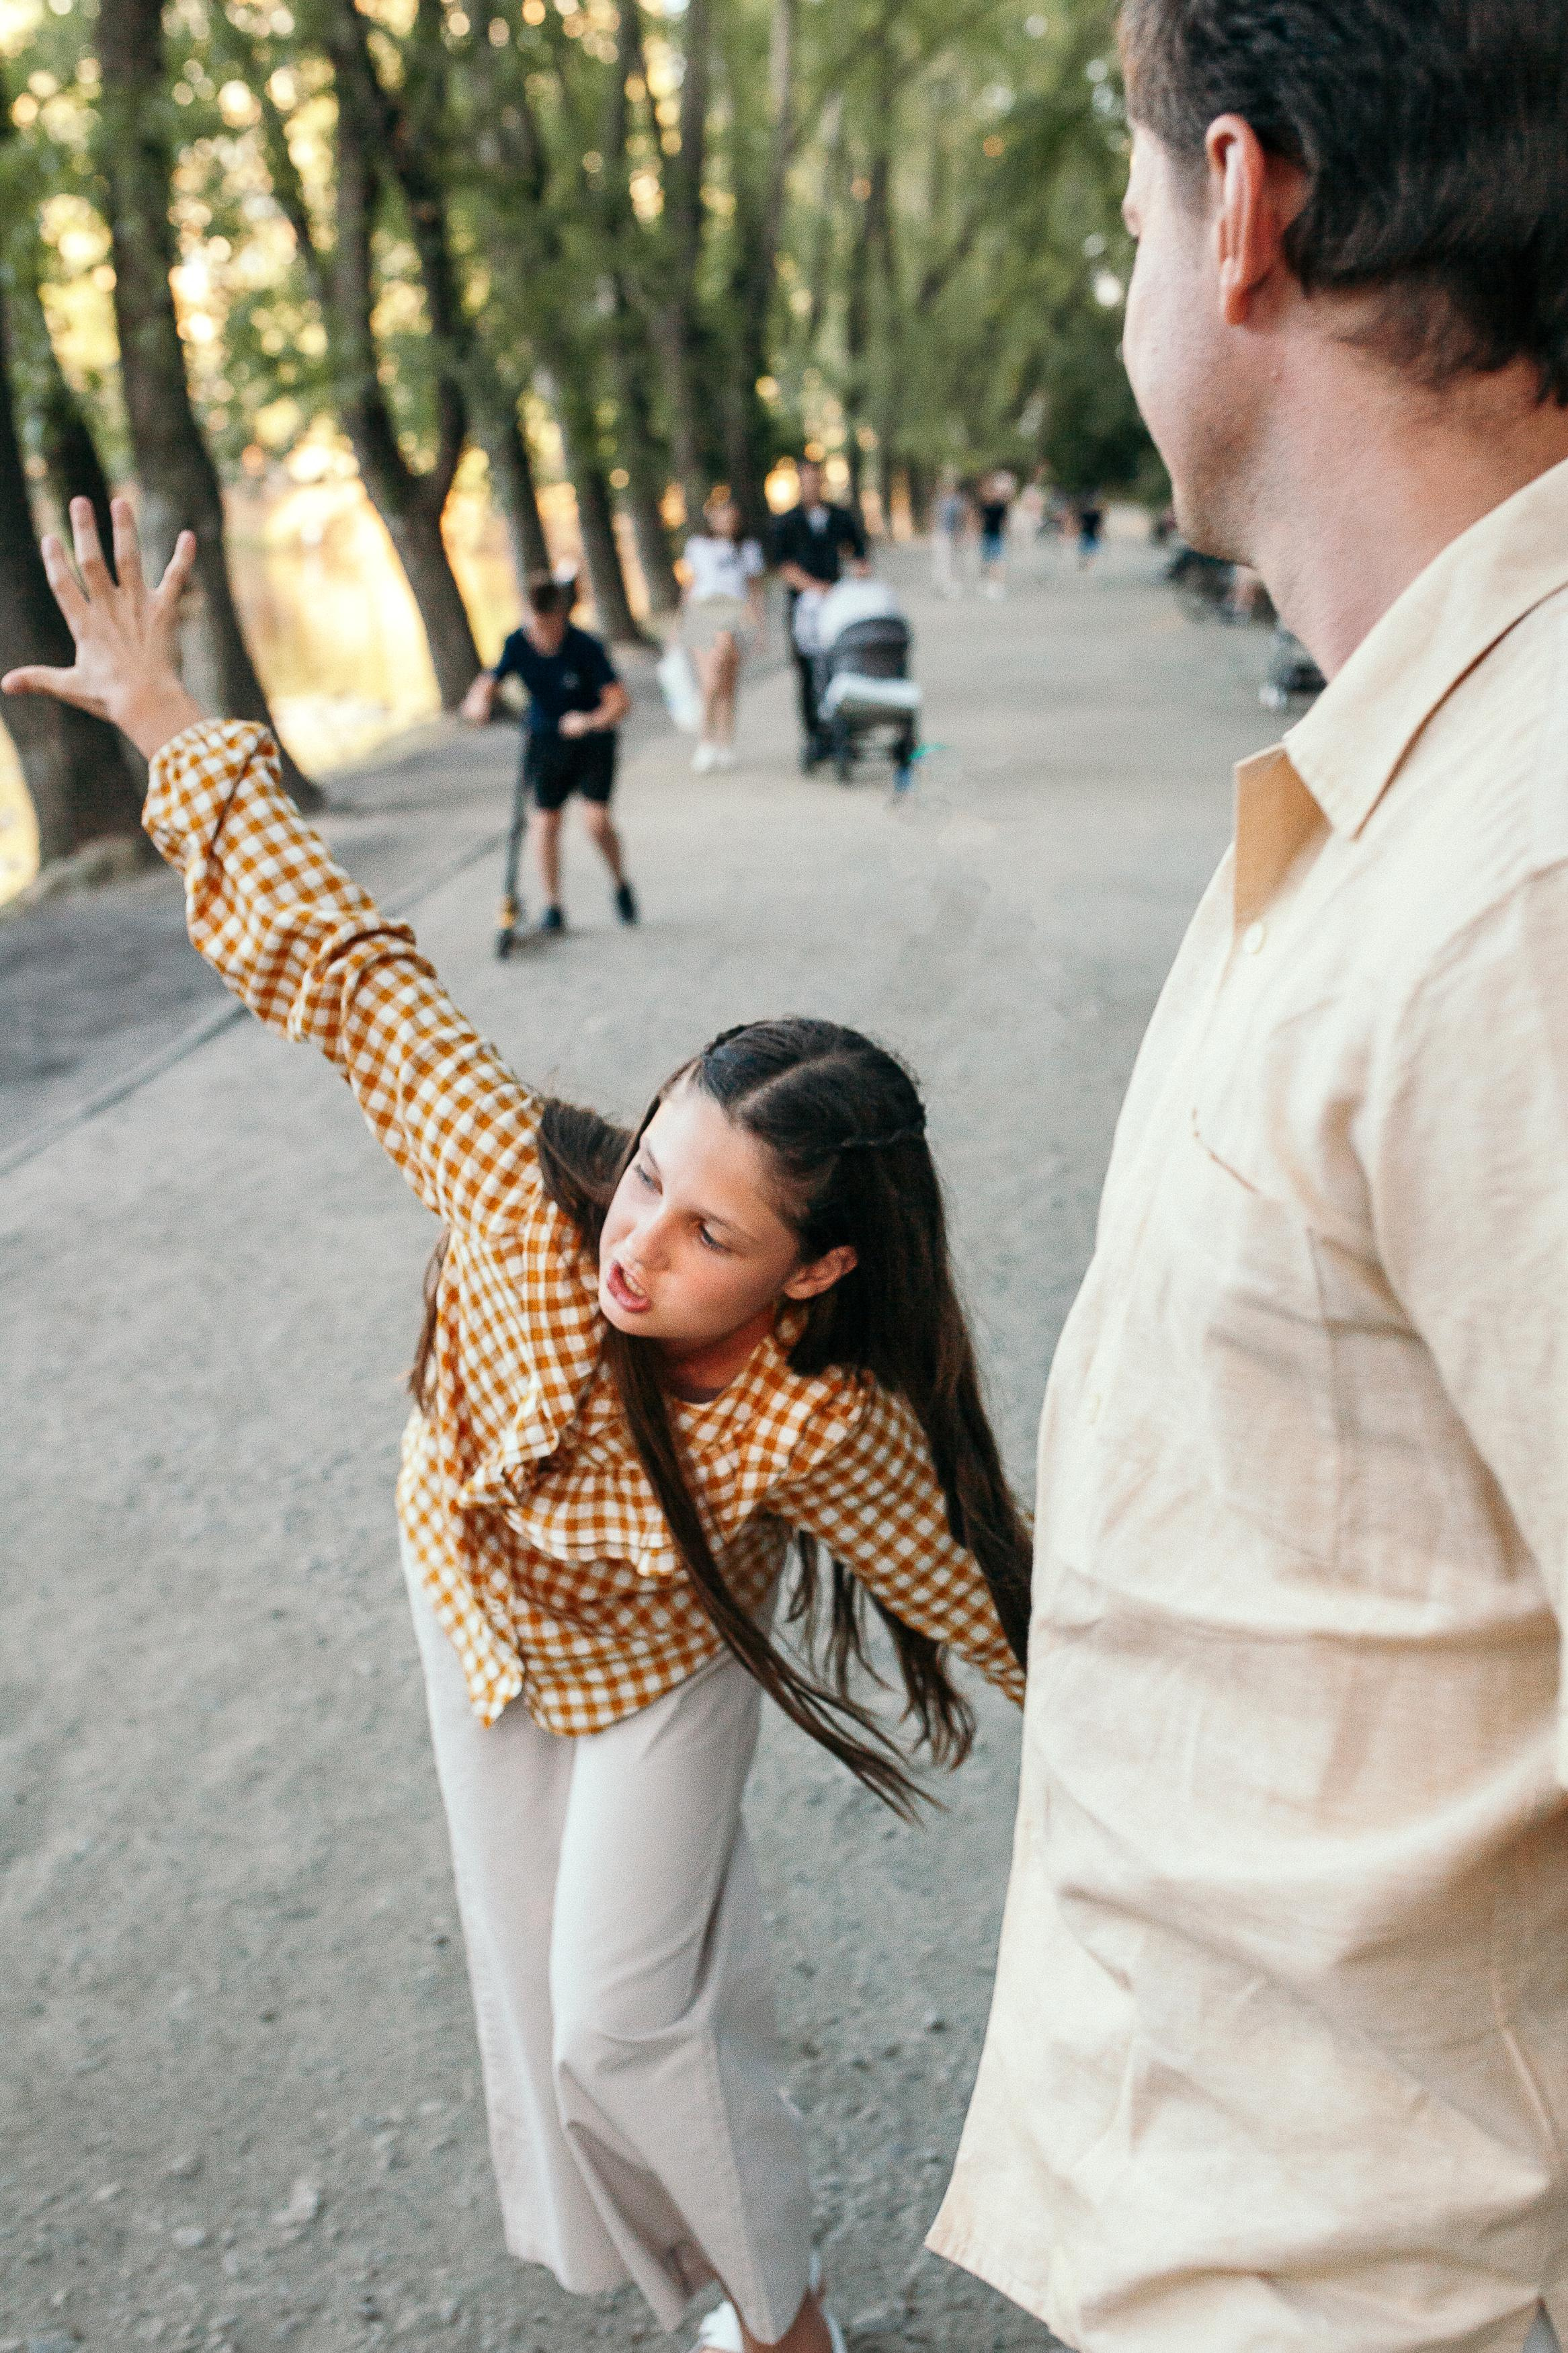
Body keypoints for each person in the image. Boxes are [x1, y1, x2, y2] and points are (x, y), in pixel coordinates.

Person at [4, 497, 1032, 2353]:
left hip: (660, 1643)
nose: (637, 1245)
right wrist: (171, 731)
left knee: (624, 2014)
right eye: (648, 1176)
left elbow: (1001, 1615)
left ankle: (786, 2329)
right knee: (546, 2005)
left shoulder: (820, 1425)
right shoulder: (519, 1194)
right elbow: (354, 974)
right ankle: (700, 2298)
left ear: (812, 1275)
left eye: (710, 1232)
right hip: (474, 1585)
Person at [929, 3, 1568, 2350]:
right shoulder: (1411, 781)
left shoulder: (1527, 870)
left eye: (1125, 209)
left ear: (1243, 208)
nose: (1121, 271)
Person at [462, 572, 634, 937]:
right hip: (545, 743)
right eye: (534, 625)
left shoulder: (586, 646)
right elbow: (492, 678)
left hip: (592, 744)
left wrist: (587, 721)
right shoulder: (517, 643)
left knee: (597, 823)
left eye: (547, 626)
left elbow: (620, 703)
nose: (540, 634)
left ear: (562, 617)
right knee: (546, 825)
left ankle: (620, 883)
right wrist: (479, 700)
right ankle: (553, 906)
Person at [770, 457, 869, 770]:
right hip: (803, 606)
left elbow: (859, 553)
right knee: (808, 672)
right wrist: (813, 587)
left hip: (836, 604)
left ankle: (845, 732)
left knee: (843, 666)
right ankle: (815, 736)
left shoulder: (840, 517)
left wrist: (856, 577)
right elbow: (782, 566)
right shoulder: (786, 522)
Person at [680, 490, 766, 774]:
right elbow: (690, 585)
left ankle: (724, 742)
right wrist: (682, 621)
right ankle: (706, 741)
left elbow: (754, 591)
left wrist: (759, 626)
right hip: (704, 613)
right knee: (711, 680)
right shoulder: (698, 546)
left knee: (729, 684)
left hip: (735, 614)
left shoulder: (748, 549)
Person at [976, 471, 1015, 600]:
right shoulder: (984, 505)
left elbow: (1006, 519)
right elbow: (979, 521)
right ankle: (989, 584)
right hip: (986, 536)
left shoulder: (1001, 506)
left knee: (997, 562)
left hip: (997, 536)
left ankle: (997, 586)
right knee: (987, 562)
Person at [931, 473, 968, 598]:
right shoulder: (940, 501)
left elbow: (962, 517)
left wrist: (961, 532)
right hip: (942, 533)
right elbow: (936, 517)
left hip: (953, 534)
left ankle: (953, 584)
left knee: (953, 561)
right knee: (942, 560)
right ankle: (943, 583)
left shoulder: (957, 501)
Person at [1074, 491, 1104, 568]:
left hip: (1087, 535)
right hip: (1090, 535)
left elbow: (1080, 525)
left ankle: (1085, 565)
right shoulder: (1097, 514)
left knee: (1085, 551)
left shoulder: (1085, 514)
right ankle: (1087, 565)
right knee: (1091, 552)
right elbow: (1099, 526)